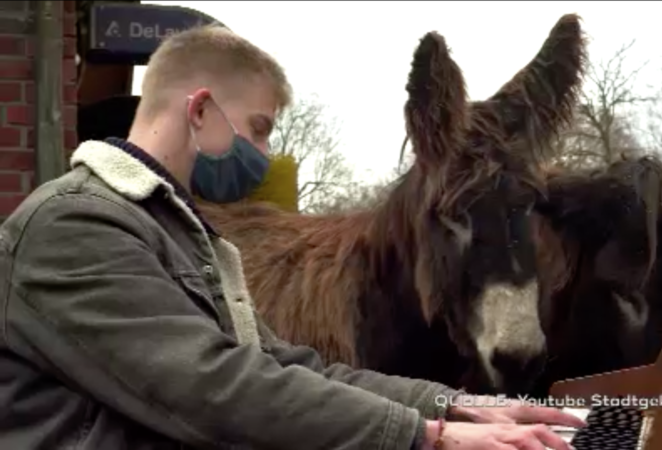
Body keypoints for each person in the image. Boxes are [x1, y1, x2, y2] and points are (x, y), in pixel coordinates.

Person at [0, 25, 584, 449]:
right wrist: (428, 437)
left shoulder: (185, 238)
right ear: (200, 110)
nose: (266, 155)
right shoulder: (74, 225)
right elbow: (218, 390)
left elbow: (288, 366)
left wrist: (462, 406)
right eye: (258, 129)